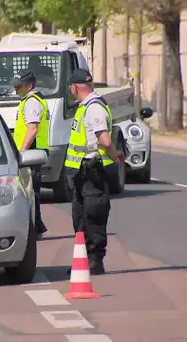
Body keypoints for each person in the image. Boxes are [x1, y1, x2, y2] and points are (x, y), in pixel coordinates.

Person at [64, 69, 126, 275]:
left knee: (93, 216)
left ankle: (95, 262)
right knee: (80, 217)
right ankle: (83, 260)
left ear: (75, 87)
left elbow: (104, 139)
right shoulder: (85, 107)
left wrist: (115, 154)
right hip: (83, 171)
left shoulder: (94, 108)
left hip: (94, 169)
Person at [10, 69, 49, 239]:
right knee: (30, 192)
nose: (15, 89)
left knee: (31, 193)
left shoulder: (32, 102)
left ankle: (36, 229)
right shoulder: (28, 100)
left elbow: (32, 129)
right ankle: (36, 227)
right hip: (30, 153)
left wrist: (21, 152)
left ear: (30, 86)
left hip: (31, 154)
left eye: (19, 86)